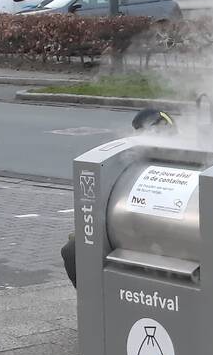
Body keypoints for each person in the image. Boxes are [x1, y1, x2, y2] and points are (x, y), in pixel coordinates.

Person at [61, 108, 177, 288]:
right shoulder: (136, 159)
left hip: (164, 234)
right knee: (74, 250)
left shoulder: (186, 159)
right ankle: (95, 305)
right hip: (131, 227)